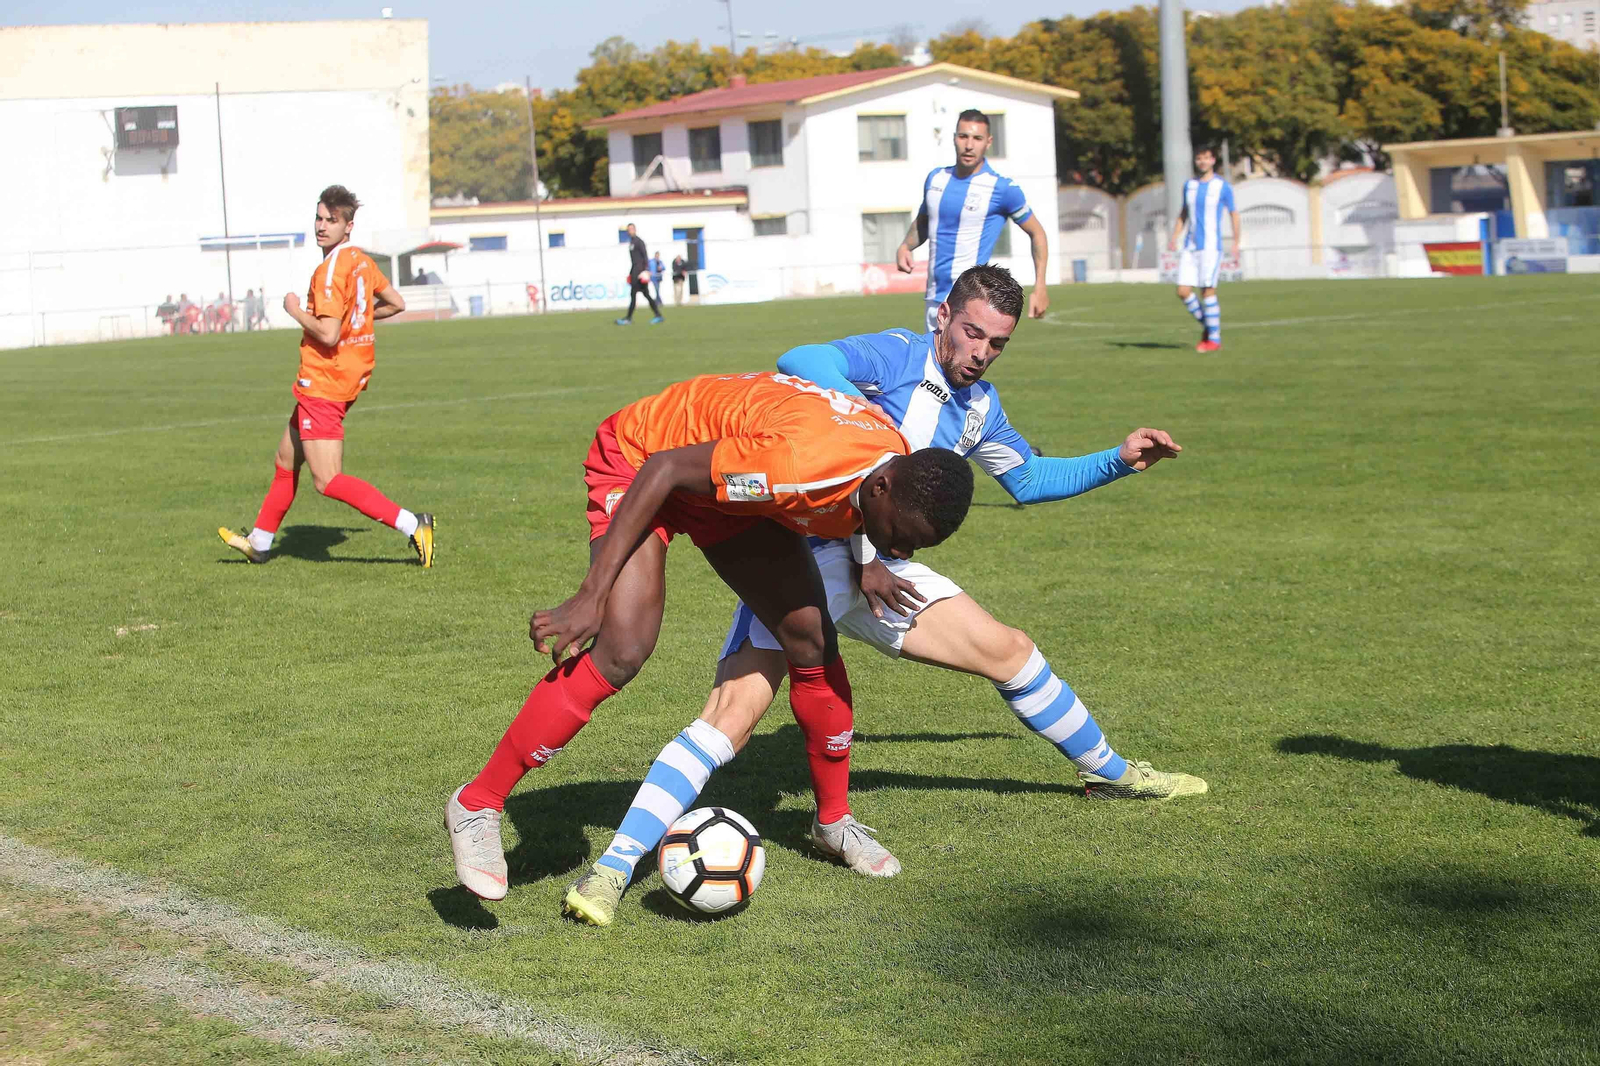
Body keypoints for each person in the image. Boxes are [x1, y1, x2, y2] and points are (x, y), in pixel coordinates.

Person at [563, 265, 1203, 926]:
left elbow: (1030, 479)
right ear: (944, 316)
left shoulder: (980, 408)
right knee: (734, 714)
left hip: (886, 561)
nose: (980, 352)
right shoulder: (898, 356)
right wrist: (873, 430)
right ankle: (612, 868)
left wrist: (1117, 460)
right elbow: (802, 359)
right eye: (972, 332)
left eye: (997, 344)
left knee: (1009, 651)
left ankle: (1109, 772)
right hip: (802, 555)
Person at [443, 371, 976, 902]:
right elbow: (667, 469)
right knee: (623, 649)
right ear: (883, 487)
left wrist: (867, 560)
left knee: (810, 638)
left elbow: (847, 501)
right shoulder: (797, 470)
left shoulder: (893, 457)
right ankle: (478, 804)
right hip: (643, 459)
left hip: (723, 479)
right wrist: (592, 594)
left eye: (914, 547)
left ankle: (833, 822)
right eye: (901, 538)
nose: (902, 553)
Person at [217, 185, 434, 567]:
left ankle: (413, 523)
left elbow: (328, 333)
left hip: (326, 381)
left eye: (331, 220)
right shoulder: (361, 261)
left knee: (327, 480)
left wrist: (294, 310)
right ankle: (261, 541)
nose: (322, 226)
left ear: (348, 226)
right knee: (286, 461)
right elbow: (395, 303)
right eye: (319, 218)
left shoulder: (330, 269)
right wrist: (355, 323)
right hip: (340, 377)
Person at [896, 109, 1051, 333]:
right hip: (934, 300)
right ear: (954, 138)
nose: (969, 145)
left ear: (988, 142)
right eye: (963, 136)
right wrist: (905, 246)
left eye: (977, 138)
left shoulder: (1002, 189)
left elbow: (1037, 232)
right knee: (931, 367)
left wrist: (1040, 286)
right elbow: (924, 221)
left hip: (968, 302)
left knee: (949, 367)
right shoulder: (936, 179)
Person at [1168, 145, 1242, 354]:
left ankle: (1213, 340)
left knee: (1207, 291)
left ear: (1213, 161)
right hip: (1190, 247)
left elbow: (1234, 214)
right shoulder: (1189, 186)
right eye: (1199, 158)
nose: (1202, 161)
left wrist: (1236, 241)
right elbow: (1184, 213)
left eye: (1206, 158)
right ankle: (1210, 328)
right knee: (1182, 291)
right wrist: (1175, 236)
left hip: (1210, 247)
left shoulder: (1222, 186)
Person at [615, 223, 664, 326]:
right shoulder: (631, 242)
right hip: (634, 272)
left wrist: (646, 270)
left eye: (631, 229)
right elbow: (634, 260)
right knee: (644, 295)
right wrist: (631, 273)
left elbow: (644, 256)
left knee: (636, 294)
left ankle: (629, 318)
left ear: (635, 230)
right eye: (628, 229)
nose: (630, 231)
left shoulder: (639, 242)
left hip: (639, 273)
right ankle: (657, 315)